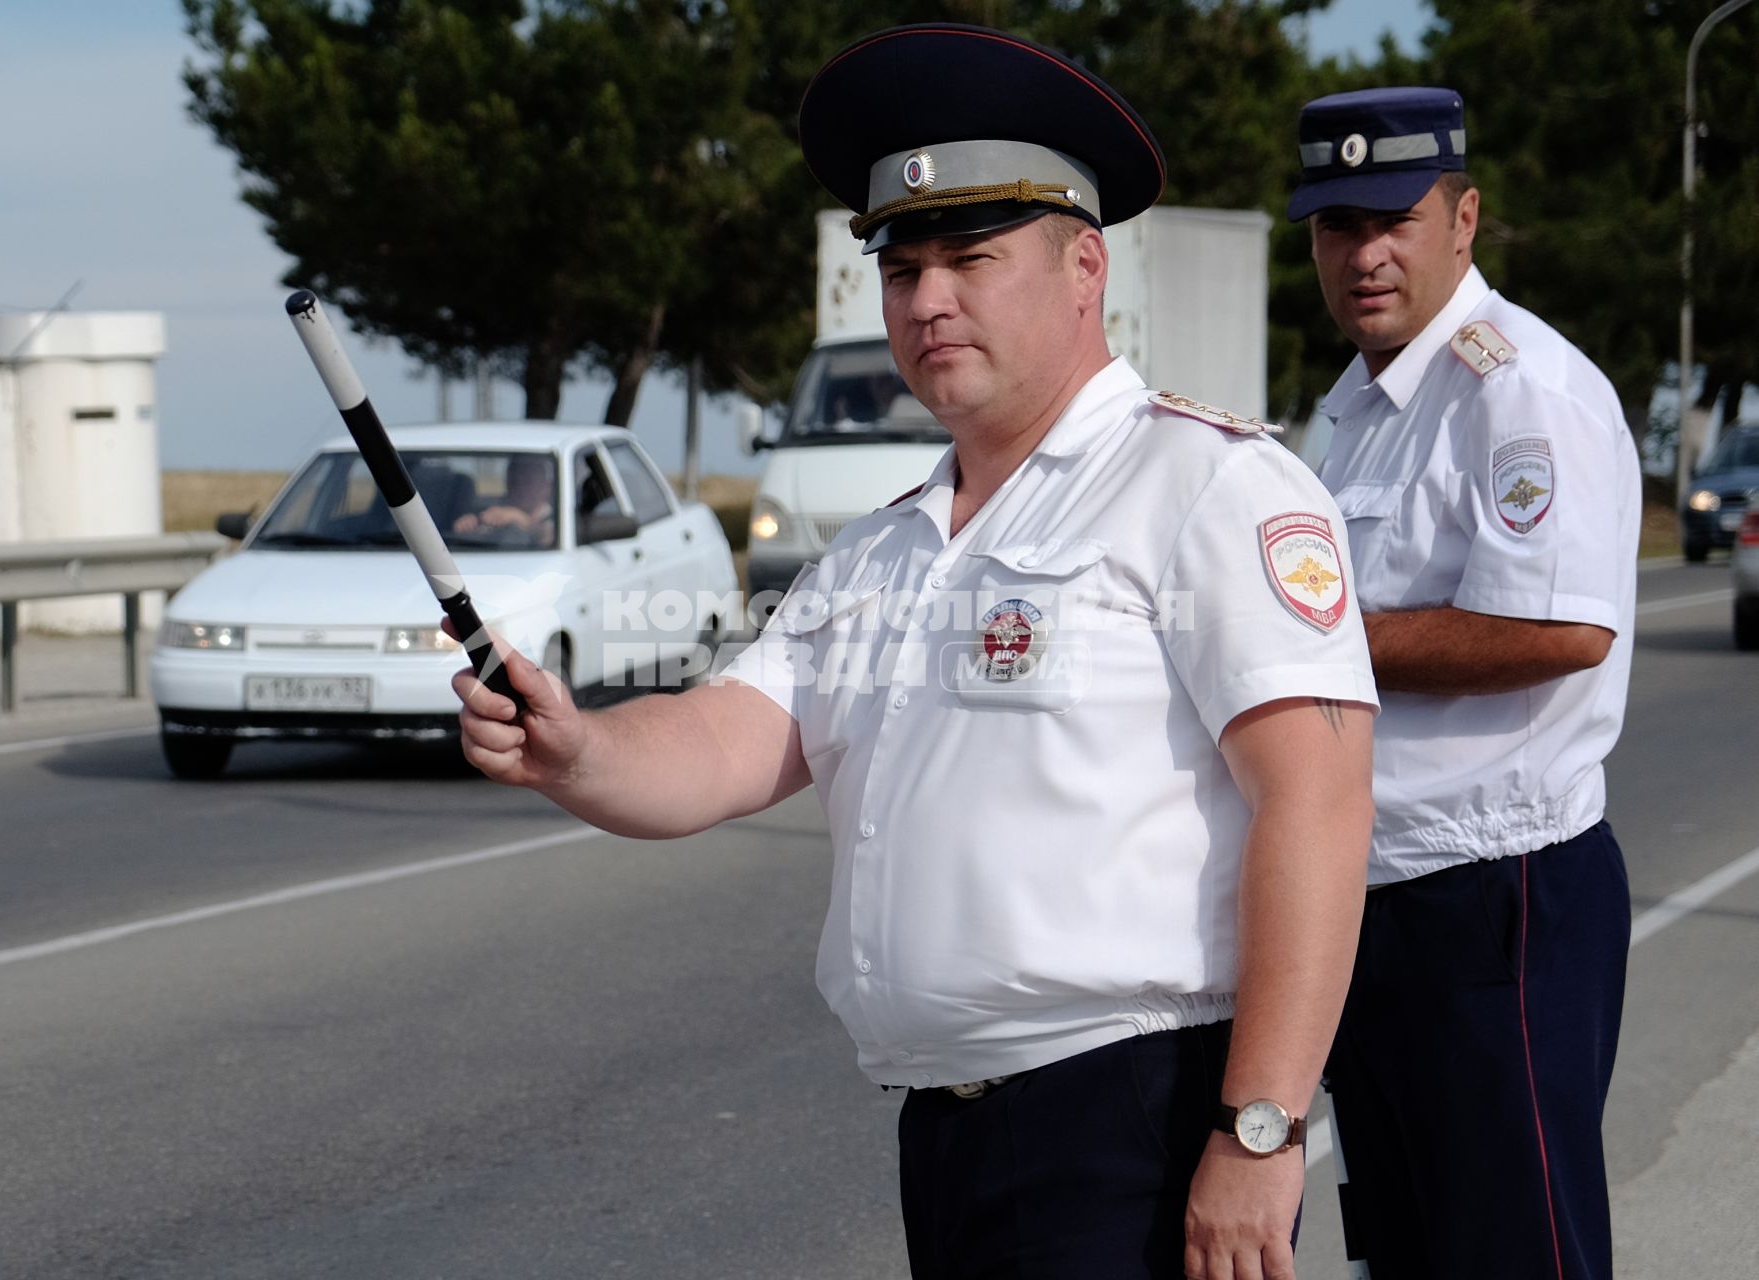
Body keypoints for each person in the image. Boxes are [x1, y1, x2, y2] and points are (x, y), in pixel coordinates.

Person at [454, 24, 1379, 1278]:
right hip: (946, 1136)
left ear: (1081, 268)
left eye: (970, 258)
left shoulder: (1205, 486)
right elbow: (731, 736)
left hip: (1132, 1117)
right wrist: (575, 746)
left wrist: (1257, 1129)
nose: (926, 299)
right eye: (901, 270)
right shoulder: (886, 549)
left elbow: (1317, 805)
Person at [1288, 88, 1640, 1279]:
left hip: (1498, 897)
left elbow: (1558, 628)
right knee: (1403, 1246)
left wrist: (1318, 643)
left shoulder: (1514, 388)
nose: (1364, 253)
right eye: (1336, 226)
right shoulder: (1357, 408)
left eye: (1391, 217)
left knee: (1512, 1250)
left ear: (1462, 216)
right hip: (1376, 896)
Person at [453, 453, 556, 546]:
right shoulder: (494, 509)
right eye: (515, 480)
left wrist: (521, 520)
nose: (520, 488)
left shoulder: (556, 516)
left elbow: (549, 537)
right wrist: (470, 525)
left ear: (546, 488)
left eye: (528, 482)